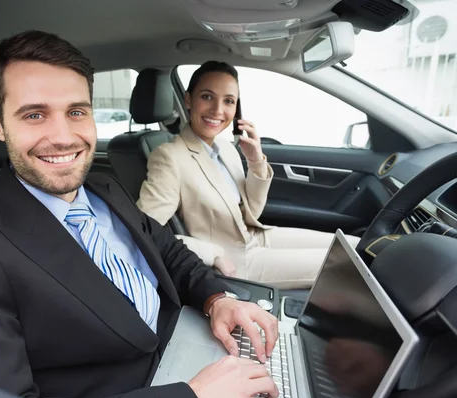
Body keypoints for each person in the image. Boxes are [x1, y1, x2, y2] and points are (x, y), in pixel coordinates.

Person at [0, 31, 280, 398]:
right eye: (34, 114)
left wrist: (218, 300)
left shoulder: (104, 189)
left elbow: (169, 253)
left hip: (201, 350)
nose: (63, 136)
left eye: (76, 112)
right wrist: (193, 396)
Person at [137, 61, 360, 289]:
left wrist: (255, 160)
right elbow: (143, 230)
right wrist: (212, 254)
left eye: (229, 101)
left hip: (255, 236)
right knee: (351, 263)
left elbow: (253, 210)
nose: (218, 110)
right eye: (207, 97)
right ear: (188, 100)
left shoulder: (225, 148)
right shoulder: (169, 156)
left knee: (357, 247)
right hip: (236, 260)